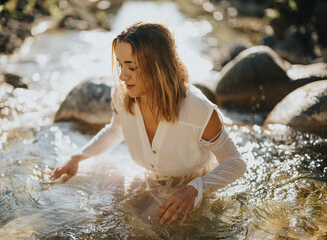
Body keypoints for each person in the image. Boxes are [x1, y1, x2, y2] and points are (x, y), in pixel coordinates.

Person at [49, 22, 246, 226]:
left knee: (140, 230)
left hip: (190, 185)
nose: (123, 76)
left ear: (157, 65)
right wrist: (77, 157)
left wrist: (194, 188)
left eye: (131, 67)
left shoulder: (197, 108)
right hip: (150, 177)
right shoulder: (122, 94)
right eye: (120, 64)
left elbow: (235, 162)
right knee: (97, 214)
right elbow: (115, 131)